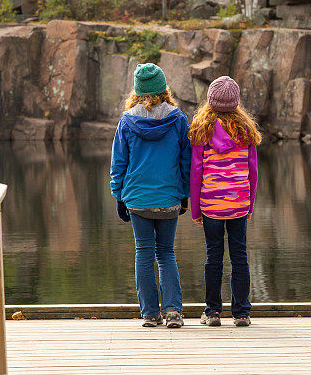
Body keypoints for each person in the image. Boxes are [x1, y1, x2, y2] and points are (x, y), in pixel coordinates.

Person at [110, 63, 191, 328]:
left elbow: (119, 163)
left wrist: (118, 196)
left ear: (138, 90)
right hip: (169, 198)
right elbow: (185, 160)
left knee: (143, 252)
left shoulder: (127, 121)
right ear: (163, 88)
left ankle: (149, 314)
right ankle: (173, 312)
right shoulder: (178, 119)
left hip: (137, 198)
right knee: (166, 252)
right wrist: (185, 193)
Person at [188, 75, 261, 327]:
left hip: (211, 205)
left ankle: (212, 312)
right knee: (240, 256)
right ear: (236, 102)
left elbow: (196, 172)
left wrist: (196, 209)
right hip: (239, 203)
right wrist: (249, 204)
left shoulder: (201, 131)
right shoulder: (246, 132)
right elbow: (252, 171)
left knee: (213, 257)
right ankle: (241, 313)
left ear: (210, 101)